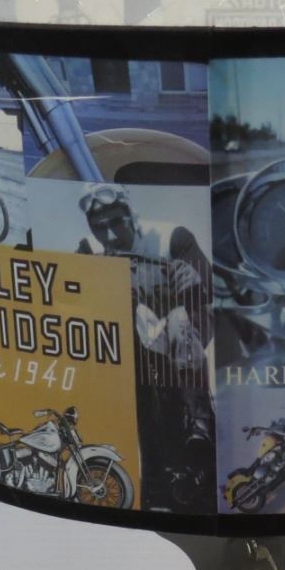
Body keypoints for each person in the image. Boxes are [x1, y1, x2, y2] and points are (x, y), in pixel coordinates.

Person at [74, 182, 215, 508]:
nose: (110, 236)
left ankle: (200, 422)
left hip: (183, 333)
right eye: (99, 227)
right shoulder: (88, 249)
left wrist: (192, 280)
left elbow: (210, 294)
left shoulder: (172, 238)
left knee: (179, 321)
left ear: (132, 215)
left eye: (116, 223)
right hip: (133, 341)